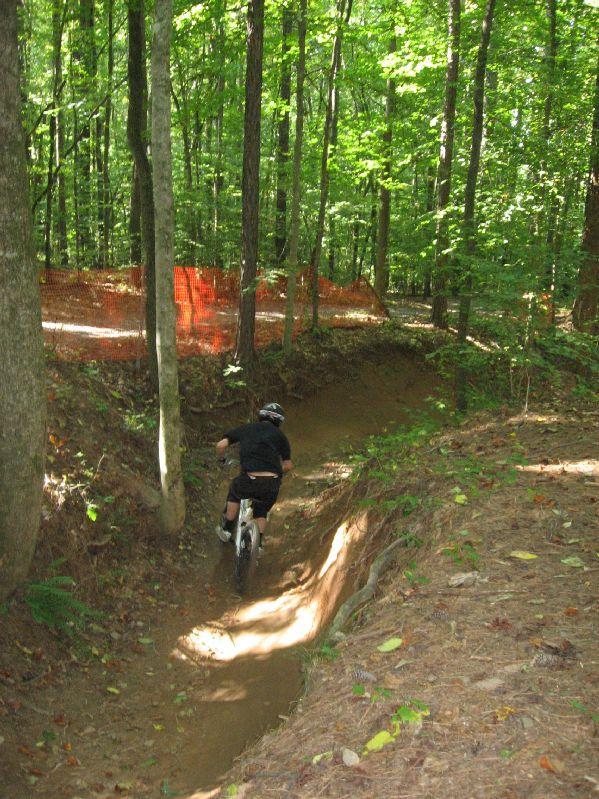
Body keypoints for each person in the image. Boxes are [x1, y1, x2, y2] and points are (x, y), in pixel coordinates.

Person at [215, 402, 293, 547]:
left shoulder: (247, 428)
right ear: (279, 420)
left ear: (261, 415)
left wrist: (222, 459)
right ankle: (258, 545)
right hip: (272, 483)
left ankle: (226, 530)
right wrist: (274, 471)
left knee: (235, 491)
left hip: (250, 478)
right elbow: (288, 465)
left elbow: (221, 445)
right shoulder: (281, 437)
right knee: (261, 509)